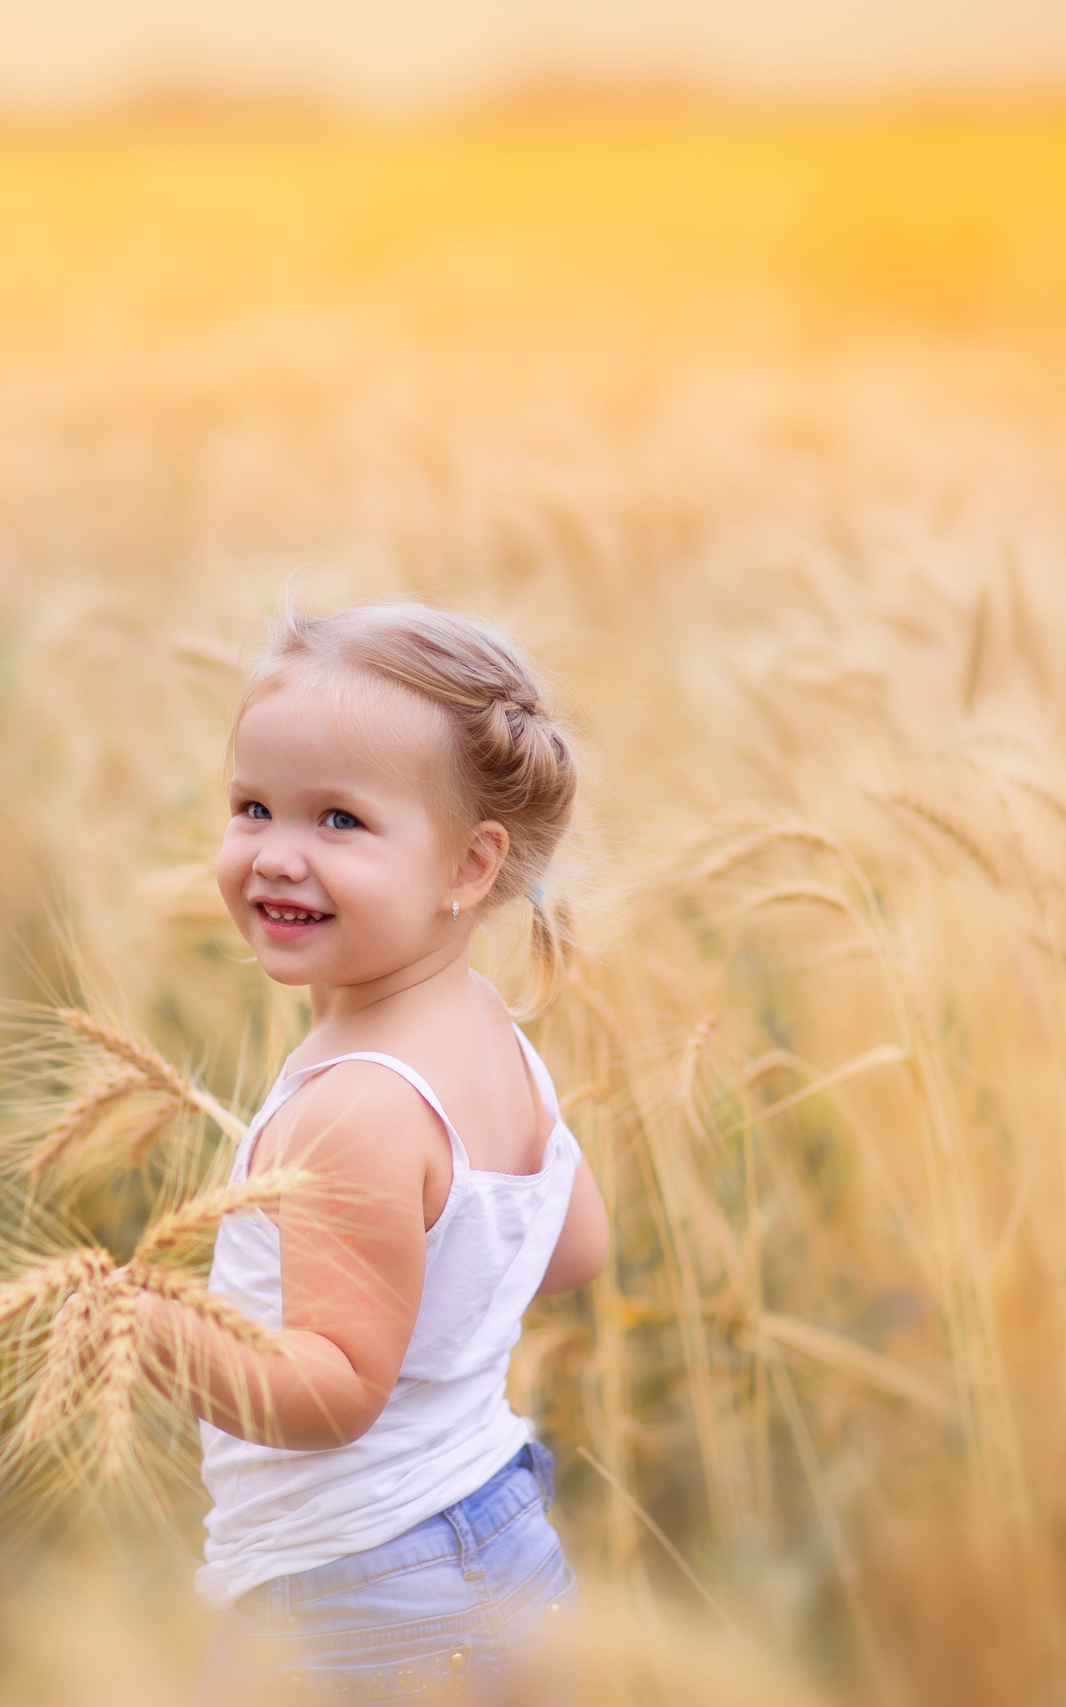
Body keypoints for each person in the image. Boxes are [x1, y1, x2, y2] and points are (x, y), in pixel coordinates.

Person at [137, 600, 611, 1703]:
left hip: (360, 1591)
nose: (275, 857)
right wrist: (443, 1289)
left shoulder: (354, 1108)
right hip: (497, 1523)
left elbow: (337, 1395)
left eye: (339, 821)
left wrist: (151, 1331)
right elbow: (575, 1244)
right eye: (253, 807)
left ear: (468, 865)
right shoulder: (488, 1027)